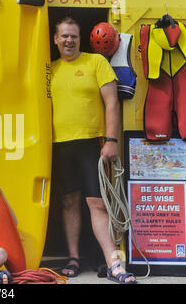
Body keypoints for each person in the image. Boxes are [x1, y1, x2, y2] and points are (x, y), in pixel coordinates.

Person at [50, 17, 136, 284]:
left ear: (80, 38)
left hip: (92, 143)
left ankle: (114, 264)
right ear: (55, 39)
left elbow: (112, 102)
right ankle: (73, 258)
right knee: (68, 202)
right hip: (60, 144)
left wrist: (111, 140)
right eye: (64, 36)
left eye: (73, 36)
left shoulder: (95, 62)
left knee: (97, 203)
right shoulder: (47, 69)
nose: (69, 40)